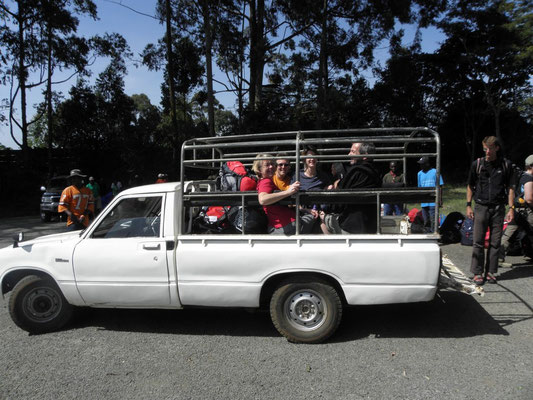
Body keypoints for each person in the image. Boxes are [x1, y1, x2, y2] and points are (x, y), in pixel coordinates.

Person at [466, 136, 515, 286]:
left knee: (495, 242)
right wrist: (468, 205)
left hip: (498, 208)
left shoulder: (506, 165)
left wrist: (511, 208)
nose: (487, 151)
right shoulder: (478, 164)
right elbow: (470, 185)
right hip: (481, 206)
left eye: (489, 148)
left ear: (496, 148)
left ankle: (491, 272)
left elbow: (511, 188)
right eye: (485, 149)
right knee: (478, 241)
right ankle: (477, 273)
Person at [322, 142, 381, 234]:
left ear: (364, 156)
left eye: (353, 152)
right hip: (371, 225)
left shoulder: (356, 171)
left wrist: (326, 211)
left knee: (322, 219)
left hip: (351, 226)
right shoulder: (377, 173)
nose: (349, 154)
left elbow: (338, 198)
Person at [253, 154, 316, 235]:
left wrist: (303, 209)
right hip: (287, 225)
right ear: (259, 169)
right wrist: (288, 192)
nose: (271, 167)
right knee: (312, 217)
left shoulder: (264, 181)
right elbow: (262, 199)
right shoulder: (266, 181)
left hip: (281, 225)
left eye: (272, 164)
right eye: (267, 165)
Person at [499, 154, 533, 267]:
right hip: (526, 211)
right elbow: (529, 198)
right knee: (527, 231)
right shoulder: (529, 179)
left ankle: (498, 257)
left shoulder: (520, 175)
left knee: (511, 233)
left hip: (516, 209)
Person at [417, 156, 444, 233]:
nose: (421, 166)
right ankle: (427, 235)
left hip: (433, 201)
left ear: (427, 164)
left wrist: (440, 199)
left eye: (423, 164)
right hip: (424, 201)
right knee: (426, 220)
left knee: (433, 220)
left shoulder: (435, 172)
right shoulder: (419, 174)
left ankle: (434, 234)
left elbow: (440, 186)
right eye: (420, 164)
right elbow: (419, 188)